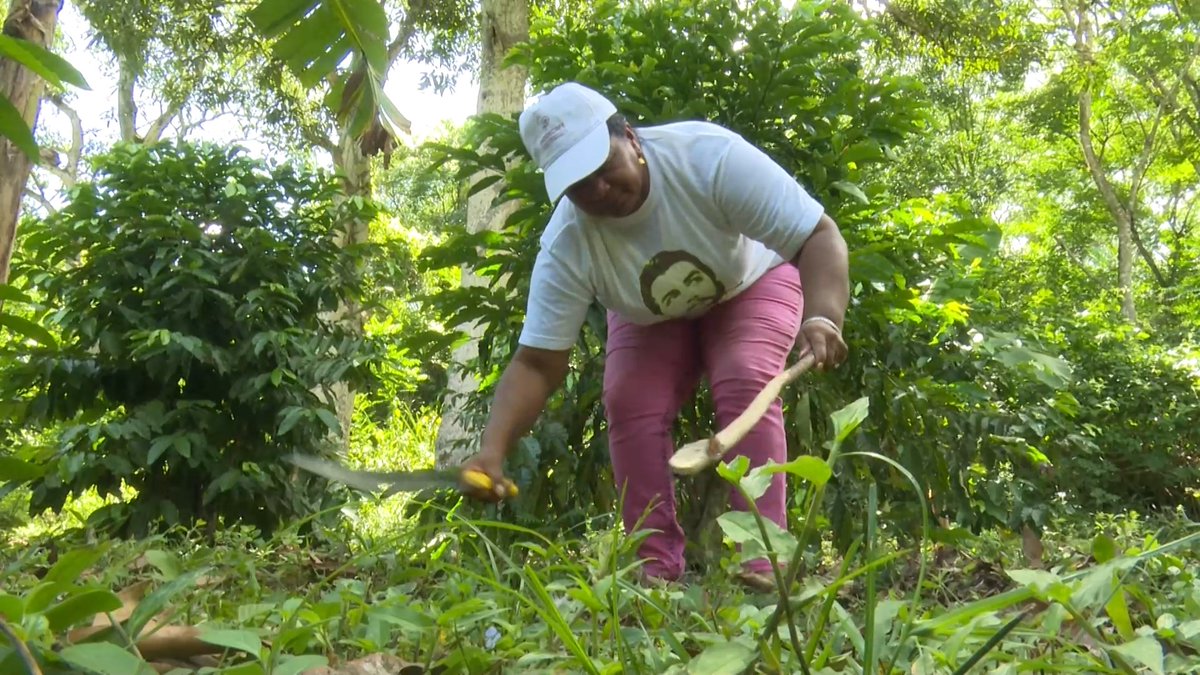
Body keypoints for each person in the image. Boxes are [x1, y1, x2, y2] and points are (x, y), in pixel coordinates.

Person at [458, 81, 850, 589]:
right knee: (630, 401)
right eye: (579, 184)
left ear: (631, 138)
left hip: (749, 280)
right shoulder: (568, 243)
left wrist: (822, 315)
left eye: (602, 167)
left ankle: (760, 558)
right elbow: (537, 362)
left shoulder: (707, 158)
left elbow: (818, 235)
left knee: (746, 374)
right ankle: (653, 569)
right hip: (649, 316)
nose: (597, 190)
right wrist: (494, 448)